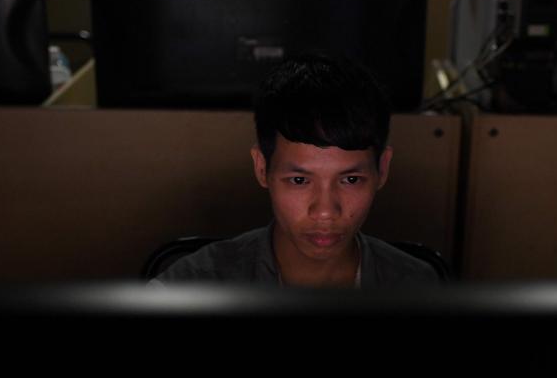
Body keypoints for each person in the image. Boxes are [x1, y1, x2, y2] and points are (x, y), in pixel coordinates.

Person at [153, 54, 440, 287]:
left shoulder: (417, 288)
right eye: (299, 180)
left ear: (382, 169)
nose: (325, 211)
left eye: (351, 179)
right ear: (262, 168)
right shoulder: (195, 287)